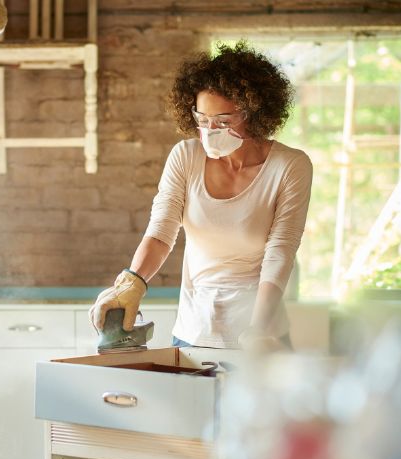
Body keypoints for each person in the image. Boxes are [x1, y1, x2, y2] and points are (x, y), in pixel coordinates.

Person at [89, 41, 313, 351]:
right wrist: (132, 282)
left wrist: (259, 329)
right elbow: (161, 231)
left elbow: (280, 251)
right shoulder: (186, 156)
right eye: (202, 120)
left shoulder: (290, 166)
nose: (210, 131)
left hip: (259, 332)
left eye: (223, 121)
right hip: (193, 332)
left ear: (255, 112)